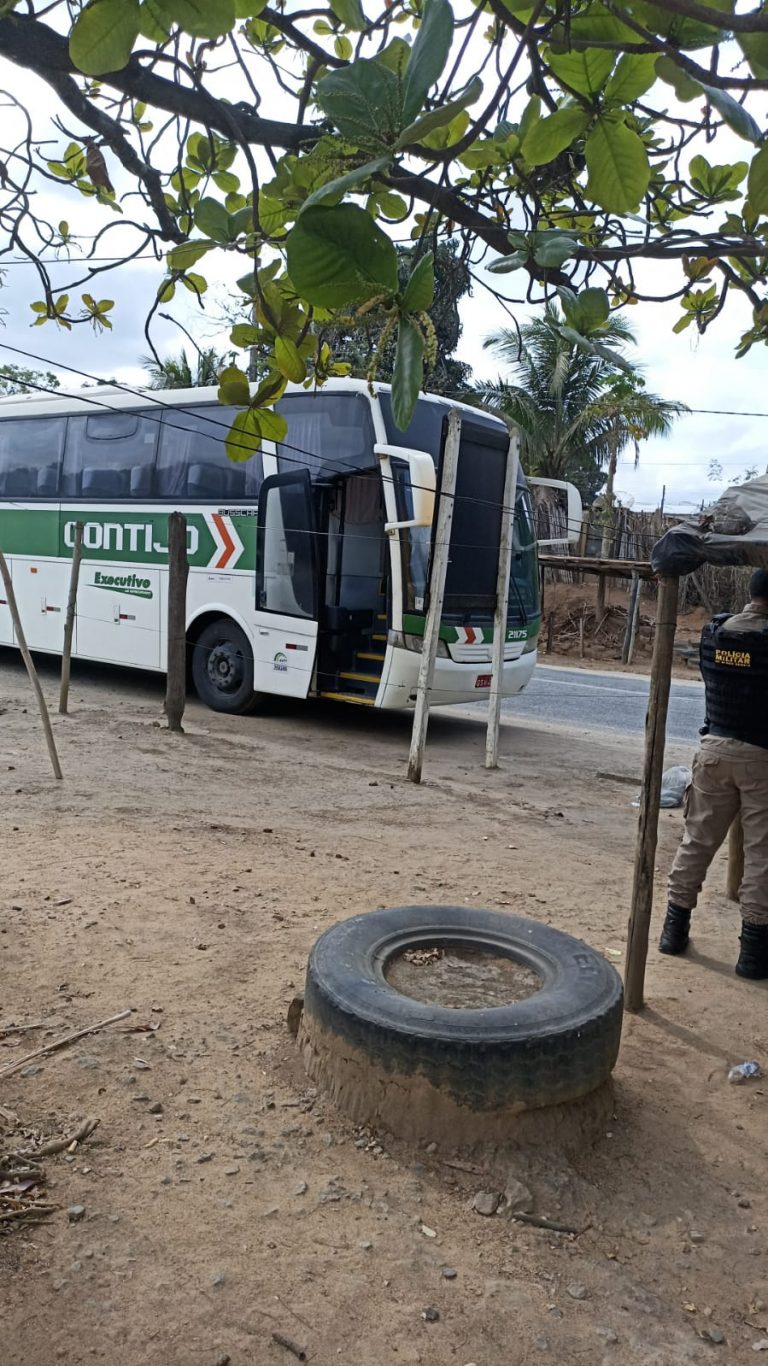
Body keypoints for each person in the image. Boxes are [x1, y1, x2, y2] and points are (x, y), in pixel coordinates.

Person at [659, 567, 768, 978]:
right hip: (761, 758)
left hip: (713, 752)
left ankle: (674, 931)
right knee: (762, 857)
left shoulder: (715, 634)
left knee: (696, 843)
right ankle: (753, 956)